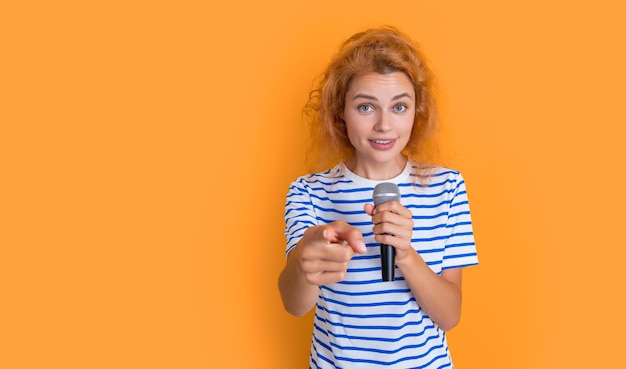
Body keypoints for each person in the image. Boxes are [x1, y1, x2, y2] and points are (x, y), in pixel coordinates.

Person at [278, 26, 478, 368]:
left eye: (399, 107)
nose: (385, 125)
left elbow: (449, 316)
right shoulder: (309, 192)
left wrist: (406, 254)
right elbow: (294, 304)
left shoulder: (447, 188)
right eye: (366, 108)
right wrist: (304, 260)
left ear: (418, 111)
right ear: (340, 111)